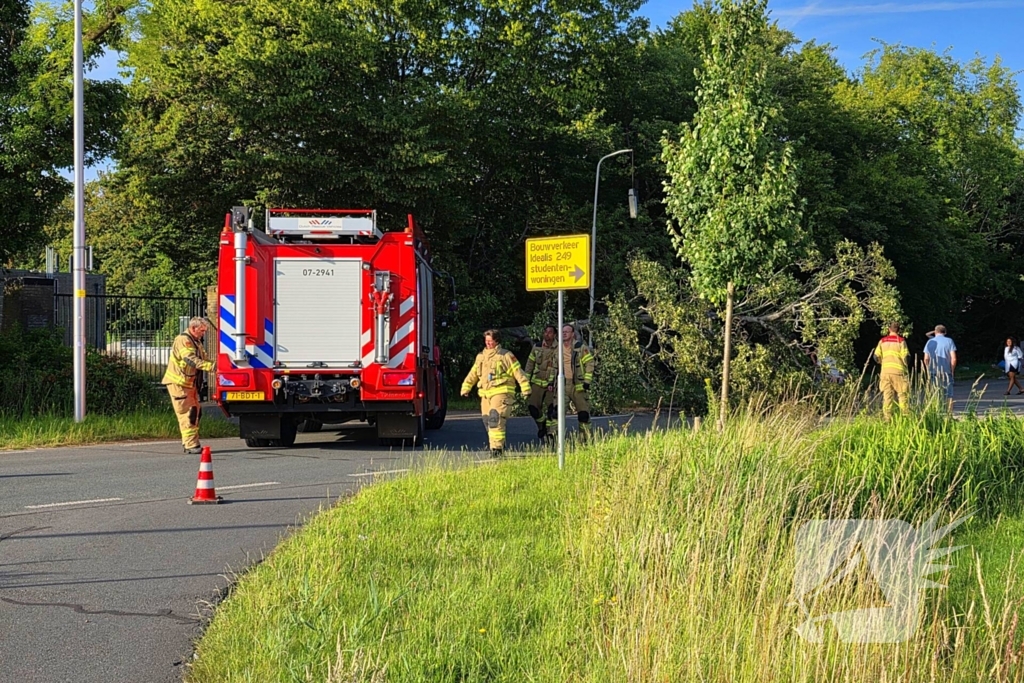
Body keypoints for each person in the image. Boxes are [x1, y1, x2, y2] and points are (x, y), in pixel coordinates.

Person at [460, 329, 531, 457]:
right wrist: (466, 387)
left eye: (490, 340)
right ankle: (498, 444)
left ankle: (496, 450)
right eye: (486, 340)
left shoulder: (506, 356)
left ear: (497, 340)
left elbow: (518, 372)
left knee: (495, 419)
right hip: (486, 394)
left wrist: (526, 388)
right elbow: (473, 373)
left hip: (502, 392)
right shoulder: (481, 357)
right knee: (487, 420)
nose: (488, 343)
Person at [162, 317, 214, 454]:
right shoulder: (184, 340)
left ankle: (192, 443)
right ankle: (191, 445)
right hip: (179, 384)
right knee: (188, 414)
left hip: (188, 385)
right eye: (202, 330)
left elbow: (205, 358)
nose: (204, 333)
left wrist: (218, 366)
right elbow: (190, 359)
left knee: (195, 412)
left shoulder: (195, 341)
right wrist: (211, 367)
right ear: (193, 328)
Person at [560, 323, 596, 437]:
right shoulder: (557, 349)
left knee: (583, 415)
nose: (564, 333)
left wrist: (587, 381)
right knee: (556, 414)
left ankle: (585, 439)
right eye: (562, 331)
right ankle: (555, 440)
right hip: (562, 385)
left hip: (578, 386)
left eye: (566, 331)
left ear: (572, 334)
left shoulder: (580, 348)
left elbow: (590, 363)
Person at [524, 325, 558, 441]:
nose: (547, 334)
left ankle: (550, 434)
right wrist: (525, 382)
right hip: (537, 383)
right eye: (546, 332)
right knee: (533, 408)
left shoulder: (559, 348)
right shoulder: (537, 347)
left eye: (550, 332)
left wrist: (553, 382)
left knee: (552, 410)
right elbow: (530, 365)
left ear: (554, 335)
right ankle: (541, 425)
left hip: (552, 385)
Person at [874, 322, 910, 420]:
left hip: (885, 372)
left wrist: (883, 363)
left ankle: (887, 419)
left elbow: (876, 357)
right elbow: (906, 358)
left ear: (889, 329)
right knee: (903, 396)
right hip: (898, 372)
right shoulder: (901, 341)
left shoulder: (882, 341)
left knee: (887, 397)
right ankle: (905, 417)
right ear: (899, 330)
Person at [923, 324, 957, 409]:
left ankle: (937, 412)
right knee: (949, 394)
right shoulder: (949, 341)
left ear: (935, 332)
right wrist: (952, 370)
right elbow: (954, 358)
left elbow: (926, 358)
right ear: (945, 332)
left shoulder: (930, 341)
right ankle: (949, 415)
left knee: (935, 393)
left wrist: (928, 369)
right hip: (946, 371)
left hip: (933, 371)